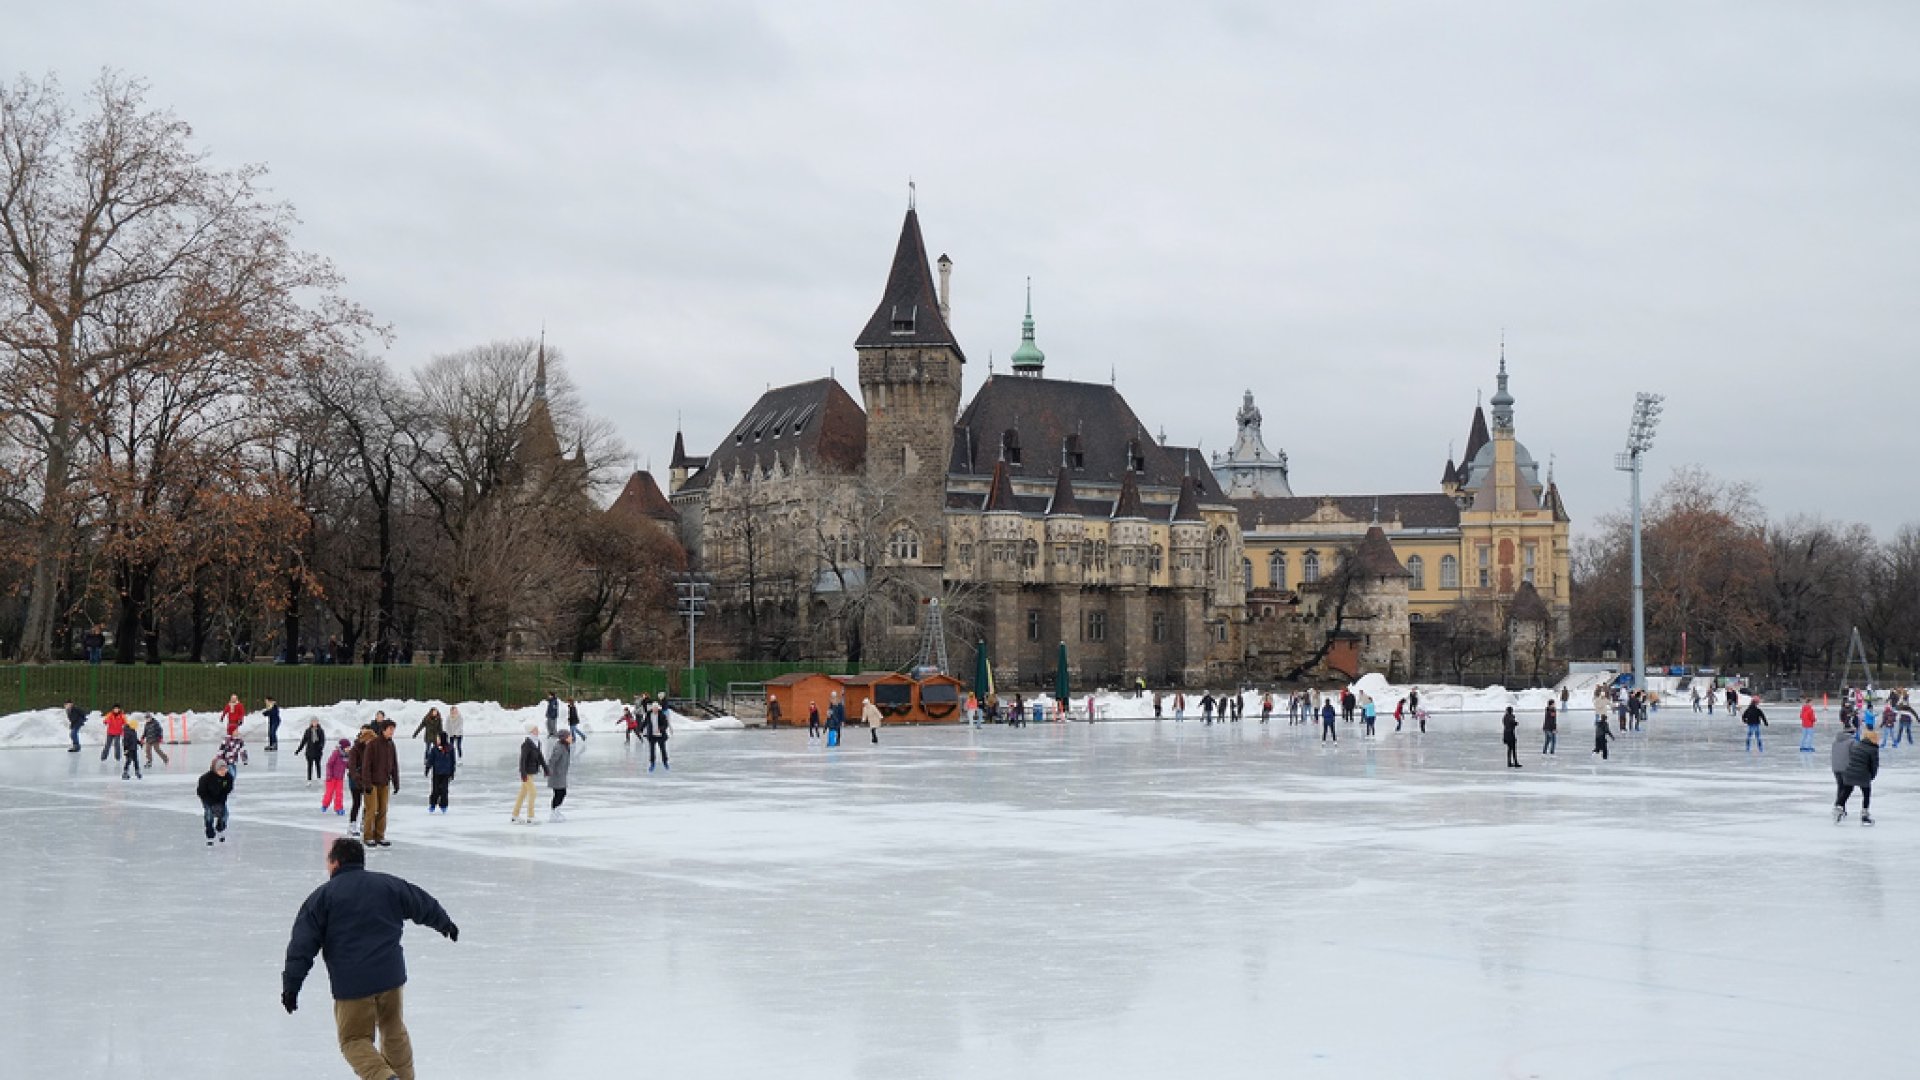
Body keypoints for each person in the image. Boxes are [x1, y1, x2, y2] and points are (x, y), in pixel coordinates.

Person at [281, 837, 458, 1080]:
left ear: (336, 863)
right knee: (393, 1029)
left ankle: (384, 1077)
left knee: (354, 1039)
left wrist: (291, 986)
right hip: (390, 977)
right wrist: (444, 923)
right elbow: (420, 902)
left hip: (353, 984)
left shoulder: (323, 897)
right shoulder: (388, 885)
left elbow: (302, 945)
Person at [361, 720, 400, 848]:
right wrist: (367, 784)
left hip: (384, 782)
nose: (392, 731)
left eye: (393, 729)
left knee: (383, 810)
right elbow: (366, 766)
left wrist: (396, 782)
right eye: (390, 729)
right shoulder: (373, 744)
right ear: (383, 730)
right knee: (372, 809)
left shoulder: (391, 745)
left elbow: (394, 765)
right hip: (372, 783)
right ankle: (368, 836)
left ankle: (379, 835)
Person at [1835, 722, 1881, 825]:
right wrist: (1872, 776)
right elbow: (1874, 765)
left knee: (1847, 791)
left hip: (1850, 772)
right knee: (1866, 794)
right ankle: (1864, 814)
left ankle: (1839, 807)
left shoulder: (1857, 745)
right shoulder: (1873, 749)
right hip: (1863, 775)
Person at [514, 726, 546, 823]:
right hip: (526, 773)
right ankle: (530, 817)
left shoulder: (537, 742)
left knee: (522, 794)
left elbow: (540, 757)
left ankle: (515, 815)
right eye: (535, 730)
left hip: (531, 772)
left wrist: (546, 768)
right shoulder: (526, 744)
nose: (538, 731)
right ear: (531, 731)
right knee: (533, 792)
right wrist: (523, 773)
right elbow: (522, 760)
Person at [198, 757, 234, 845]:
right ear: (216, 769)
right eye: (221, 770)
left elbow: (227, 790)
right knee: (209, 815)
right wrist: (210, 803)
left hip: (220, 799)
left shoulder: (228, 777)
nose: (223, 771)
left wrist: (221, 801)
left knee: (224, 814)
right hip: (208, 799)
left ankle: (220, 828)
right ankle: (210, 834)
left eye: (225, 769)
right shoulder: (205, 778)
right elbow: (201, 792)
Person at [347, 726, 374, 837]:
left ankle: (364, 822)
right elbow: (351, 766)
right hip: (355, 780)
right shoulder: (355, 749)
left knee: (368, 803)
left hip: (367, 780)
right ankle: (352, 825)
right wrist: (357, 778)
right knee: (357, 802)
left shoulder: (372, 749)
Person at [426, 734, 456, 814]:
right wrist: (427, 768)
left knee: (444, 791)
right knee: (435, 790)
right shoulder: (435, 749)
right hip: (436, 773)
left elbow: (453, 761)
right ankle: (432, 804)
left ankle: (443, 805)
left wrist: (452, 772)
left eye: (438, 738)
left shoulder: (450, 748)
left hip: (446, 773)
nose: (437, 740)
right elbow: (431, 759)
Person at [548, 729, 572, 822]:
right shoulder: (559, 747)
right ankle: (554, 813)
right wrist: (550, 771)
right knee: (559, 793)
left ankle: (556, 811)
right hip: (556, 774)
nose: (571, 737)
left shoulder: (565, 746)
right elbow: (552, 760)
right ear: (564, 738)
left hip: (561, 774)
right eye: (569, 736)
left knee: (561, 793)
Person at [296, 717, 327, 785]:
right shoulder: (308, 731)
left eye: (316, 721)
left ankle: (319, 778)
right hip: (309, 751)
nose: (314, 723)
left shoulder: (320, 730)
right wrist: (298, 750)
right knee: (309, 765)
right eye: (313, 722)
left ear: (318, 722)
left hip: (318, 751)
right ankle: (309, 779)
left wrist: (321, 747)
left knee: (318, 765)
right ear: (311, 722)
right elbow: (303, 741)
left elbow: (323, 740)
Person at [324, 738, 349, 815]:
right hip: (331, 777)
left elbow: (347, 765)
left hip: (340, 778)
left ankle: (339, 808)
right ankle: (325, 804)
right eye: (347, 747)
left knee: (339, 794)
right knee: (329, 793)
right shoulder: (336, 753)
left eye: (349, 747)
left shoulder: (347, 755)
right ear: (343, 747)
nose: (348, 749)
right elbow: (329, 764)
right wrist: (329, 775)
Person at [645, 699, 672, 770]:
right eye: (654, 708)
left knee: (663, 749)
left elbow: (665, 724)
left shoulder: (662, 714)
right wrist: (640, 729)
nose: (655, 709)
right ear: (652, 708)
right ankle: (652, 763)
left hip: (660, 735)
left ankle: (665, 762)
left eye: (656, 708)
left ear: (658, 708)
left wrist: (660, 729)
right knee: (652, 750)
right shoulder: (649, 714)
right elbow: (645, 722)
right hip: (652, 735)